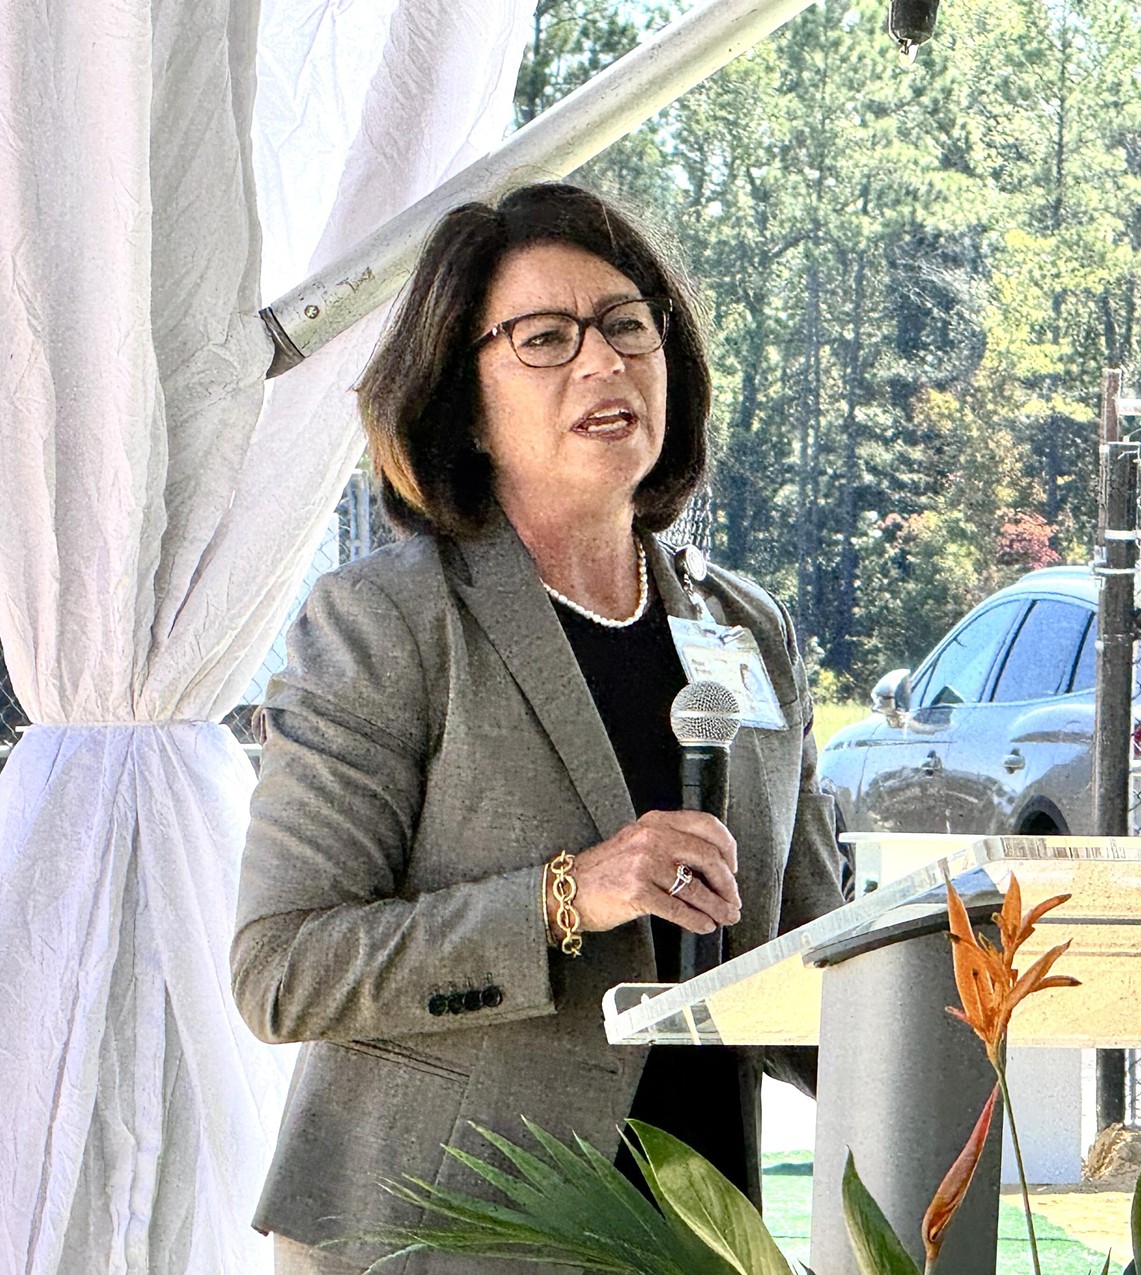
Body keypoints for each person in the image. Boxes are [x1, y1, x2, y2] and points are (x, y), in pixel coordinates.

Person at [231, 182, 844, 1274]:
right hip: (434, 1238)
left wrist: (950, 990)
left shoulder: (750, 630)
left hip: (694, 1238)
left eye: (625, 325)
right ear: (466, 401)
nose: (603, 364)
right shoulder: (390, 622)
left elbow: (794, 958)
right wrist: (571, 895)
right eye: (546, 339)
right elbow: (285, 970)